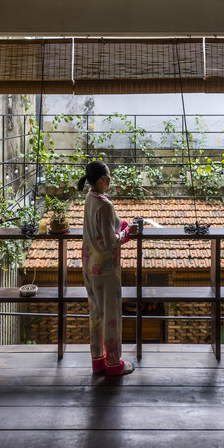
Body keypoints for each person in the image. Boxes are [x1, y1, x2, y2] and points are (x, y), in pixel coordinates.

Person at [77, 160, 138, 376]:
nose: (111, 179)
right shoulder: (105, 204)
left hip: (88, 265)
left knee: (96, 314)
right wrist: (127, 232)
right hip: (105, 269)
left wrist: (120, 226)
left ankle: (98, 360)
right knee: (111, 316)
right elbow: (111, 241)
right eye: (109, 176)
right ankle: (113, 364)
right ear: (102, 179)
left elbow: (101, 230)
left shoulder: (90, 198)